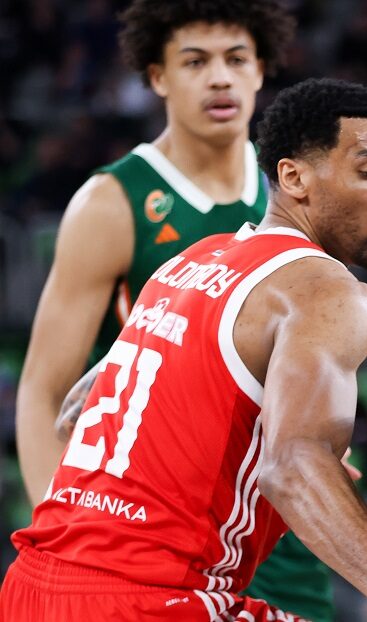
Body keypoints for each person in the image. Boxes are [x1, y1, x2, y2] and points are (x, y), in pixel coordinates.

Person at [1, 77, 367, 622]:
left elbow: (76, 412)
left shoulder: (188, 264)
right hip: (154, 599)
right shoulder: (327, 290)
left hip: (34, 584)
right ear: (293, 177)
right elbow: (291, 466)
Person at [12, 2, 336, 618]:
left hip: (280, 531)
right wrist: (68, 542)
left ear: (262, 69)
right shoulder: (113, 202)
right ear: (157, 76)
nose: (220, 77)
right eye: (195, 61)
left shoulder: (303, 194)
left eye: (236, 59)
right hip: (157, 538)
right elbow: (42, 390)